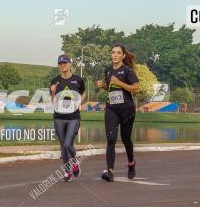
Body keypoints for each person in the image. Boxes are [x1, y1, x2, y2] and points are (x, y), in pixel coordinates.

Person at [96, 44, 139, 182]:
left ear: (123, 56)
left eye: (118, 53)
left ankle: (131, 164)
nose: (115, 55)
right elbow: (111, 90)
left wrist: (119, 82)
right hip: (111, 109)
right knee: (111, 139)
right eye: (113, 52)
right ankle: (109, 172)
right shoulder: (108, 71)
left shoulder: (127, 70)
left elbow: (135, 89)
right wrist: (103, 86)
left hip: (127, 110)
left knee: (126, 139)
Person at [50, 54, 86, 181]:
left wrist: (79, 102)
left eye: (65, 63)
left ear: (70, 64)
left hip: (73, 117)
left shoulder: (77, 79)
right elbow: (53, 101)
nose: (63, 65)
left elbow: (84, 93)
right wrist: (53, 91)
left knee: (67, 144)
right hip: (59, 117)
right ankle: (67, 171)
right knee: (62, 145)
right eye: (60, 63)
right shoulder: (55, 81)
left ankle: (75, 163)